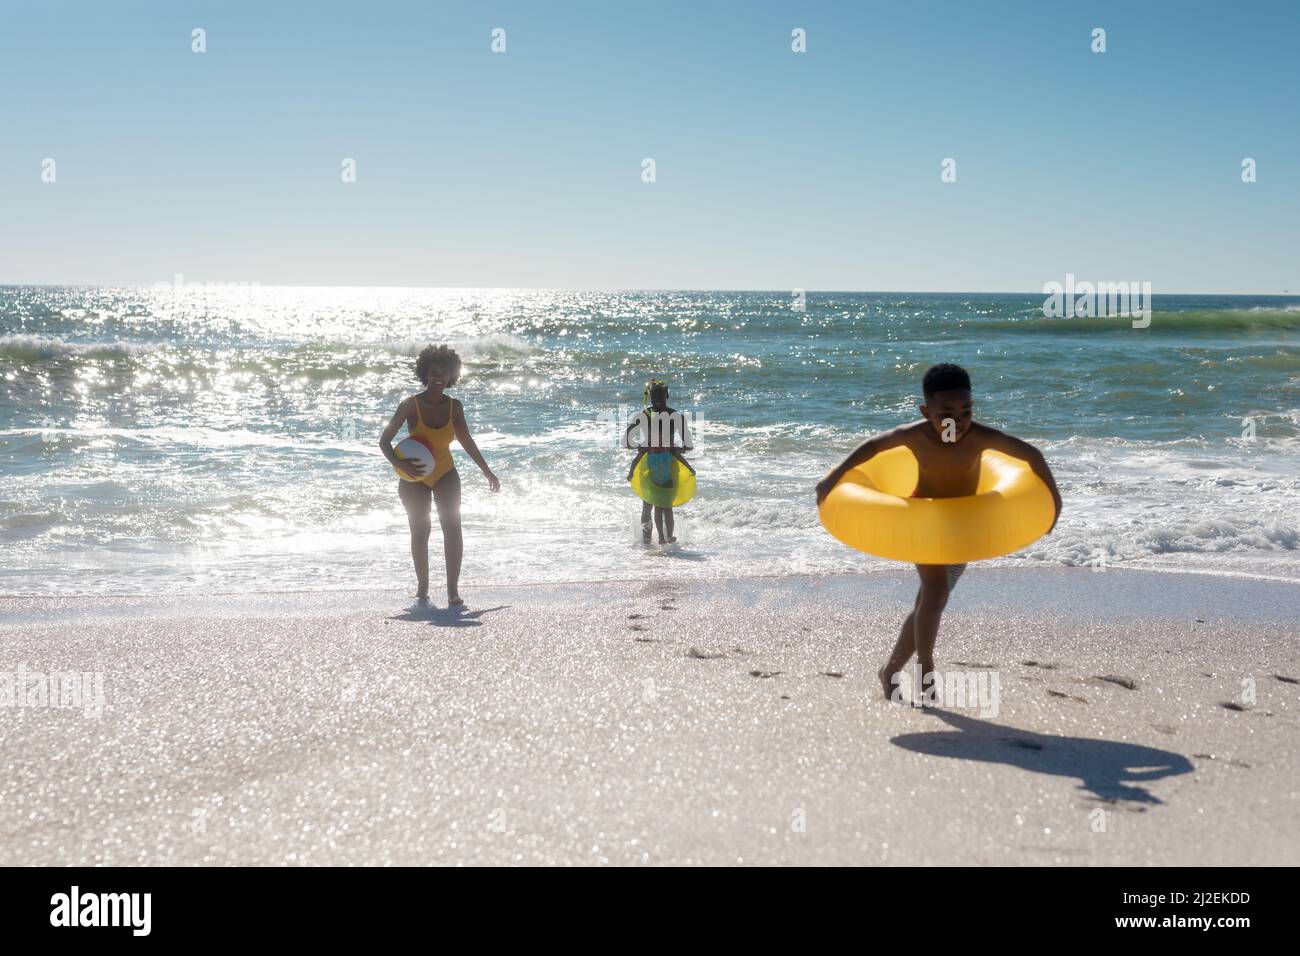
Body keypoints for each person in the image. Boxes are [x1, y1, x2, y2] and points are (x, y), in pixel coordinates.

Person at [815, 363, 1062, 700]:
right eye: (947, 412)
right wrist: (833, 478)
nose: (957, 420)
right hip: (925, 519)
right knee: (935, 595)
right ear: (926, 411)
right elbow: (872, 446)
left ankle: (890, 670)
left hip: (962, 526)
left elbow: (1032, 455)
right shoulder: (914, 436)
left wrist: (1054, 503)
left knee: (927, 606)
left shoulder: (980, 437)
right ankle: (927, 669)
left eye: (966, 410)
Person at [380, 344, 500, 606]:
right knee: (420, 531)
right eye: (433, 371)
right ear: (425, 373)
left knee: (453, 528)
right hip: (414, 479)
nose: (438, 377)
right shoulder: (411, 405)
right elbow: (384, 442)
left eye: (444, 373)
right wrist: (403, 466)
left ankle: (453, 591)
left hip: (445, 473)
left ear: (451, 376)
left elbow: (467, 441)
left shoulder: (454, 407)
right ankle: (422, 589)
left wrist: (487, 471)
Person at [625, 378, 694, 545]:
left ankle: (666, 540)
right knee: (648, 505)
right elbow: (627, 441)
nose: (658, 399)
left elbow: (688, 445)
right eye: (655, 395)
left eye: (661, 396)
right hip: (649, 463)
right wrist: (642, 446)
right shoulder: (643, 416)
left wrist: (676, 449)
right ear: (649, 397)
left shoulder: (676, 417)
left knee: (666, 505)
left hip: (668, 463)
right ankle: (647, 544)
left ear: (667, 396)